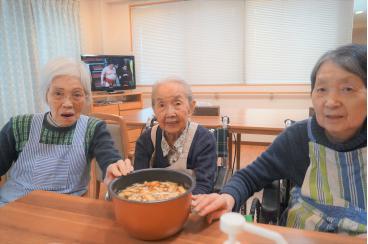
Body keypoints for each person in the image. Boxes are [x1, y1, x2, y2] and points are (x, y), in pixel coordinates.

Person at [192, 44, 367, 235]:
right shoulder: (298, 138)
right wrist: (227, 197)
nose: (331, 102)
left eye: (347, 89)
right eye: (322, 89)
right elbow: (250, 176)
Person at [0, 57, 133, 206]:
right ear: (46, 95)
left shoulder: (93, 128)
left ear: (86, 97)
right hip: (13, 206)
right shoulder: (19, 126)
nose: (68, 104)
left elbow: (109, 157)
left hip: (65, 212)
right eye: (58, 94)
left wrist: (113, 169)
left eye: (76, 94)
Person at [133, 77, 217, 194]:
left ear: (191, 107)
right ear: (154, 110)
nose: (170, 113)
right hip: (152, 204)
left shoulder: (204, 140)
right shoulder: (146, 140)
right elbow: (138, 181)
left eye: (177, 103)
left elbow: (203, 186)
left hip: (191, 206)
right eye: (161, 105)